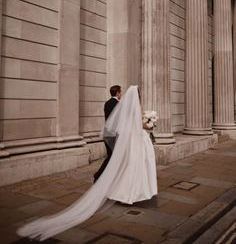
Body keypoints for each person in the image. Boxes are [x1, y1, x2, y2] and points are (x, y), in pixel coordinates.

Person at [17, 85, 157, 241]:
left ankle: (121, 190)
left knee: (124, 166)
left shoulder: (115, 105)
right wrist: (148, 125)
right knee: (126, 166)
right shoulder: (127, 107)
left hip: (122, 138)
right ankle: (124, 190)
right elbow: (132, 125)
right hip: (129, 140)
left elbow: (118, 123)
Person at [94, 85, 121, 182]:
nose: (121, 94)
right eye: (120, 92)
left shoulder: (107, 103)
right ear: (117, 93)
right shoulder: (119, 104)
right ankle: (98, 175)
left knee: (111, 155)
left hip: (106, 132)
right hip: (114, 134)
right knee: (112, 156)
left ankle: (107, 176)